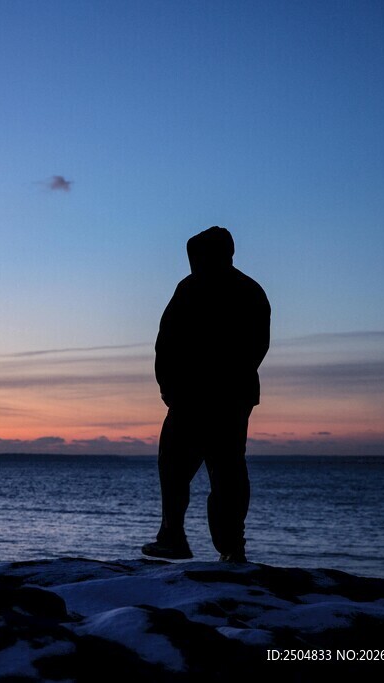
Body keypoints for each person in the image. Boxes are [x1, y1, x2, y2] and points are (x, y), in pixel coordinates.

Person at [142, 226, 270, 562]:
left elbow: (253, 348)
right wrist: (168, 387)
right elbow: (166, 341)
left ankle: (228, 546)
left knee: (223, 471)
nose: (194, 262)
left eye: (199, 255)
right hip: (197, 396)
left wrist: (183, 386)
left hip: (216, 398)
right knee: (181, 467)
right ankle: (181, 538)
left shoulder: (242, 292)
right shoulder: (199, 288)